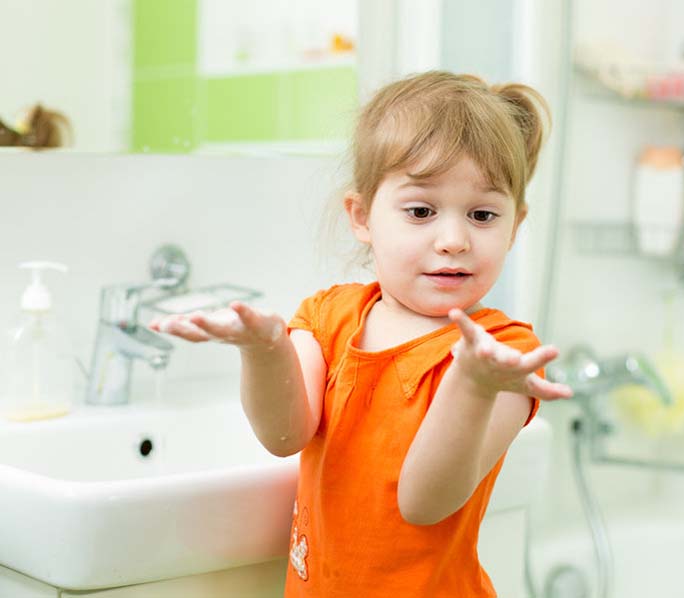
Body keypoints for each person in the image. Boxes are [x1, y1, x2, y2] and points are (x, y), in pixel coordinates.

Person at [149, 70, 573, 597]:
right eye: (421, 211)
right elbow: (284, 436)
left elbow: (424, 502)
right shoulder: (328, 317)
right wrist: (265, 351)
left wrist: (473, 383)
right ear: (362, 216)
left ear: (515, 224)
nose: (454, 239)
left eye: (483, 214)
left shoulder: (501, 357)